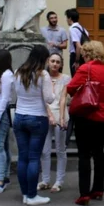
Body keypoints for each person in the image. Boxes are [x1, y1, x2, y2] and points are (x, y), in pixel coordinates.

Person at [63, 41, 104, 206]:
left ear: (89, 54)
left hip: (84, 117)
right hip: (101, 118)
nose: (83, 58)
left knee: (84, 154)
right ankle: (98, 189)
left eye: (84, 55)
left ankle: (84, 194)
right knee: (99, 153)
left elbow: (71, 88)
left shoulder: (86, 69)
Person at [13, 45, 55, 206]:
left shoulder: (19, 71)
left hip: (19, 117)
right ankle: (32, 196)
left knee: (23, 158)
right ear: (43, 58)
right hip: (37, 118)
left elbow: (16, 93)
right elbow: (49, 99)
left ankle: (25, 193)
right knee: (33, 158)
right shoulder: (43, 74)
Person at [38, 52, 71, 193]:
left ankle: (59, 181)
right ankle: (45, 180)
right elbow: (41, 98)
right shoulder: (42, 77)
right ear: (47, 62)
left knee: (60, 149)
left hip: (60, 116)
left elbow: (64, 99)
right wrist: (49, 114)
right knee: (44, 150)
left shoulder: (66, 78)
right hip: (45, 115)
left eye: (58, 62)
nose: (55, 64)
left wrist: (62, 118)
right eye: (52, 61)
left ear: (61, 64)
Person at [0, 49, 15, 194]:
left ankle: (0, 181)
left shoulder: (6, 75)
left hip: (1, 111)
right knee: (4, 145)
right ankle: (3, 177)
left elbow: (5, 99)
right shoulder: (3, 74)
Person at [65, 8, 89, 77]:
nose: (66, 20)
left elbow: (78, 46)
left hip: (76, 56)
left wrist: (77, 61)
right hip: (84, 56)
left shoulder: (73, 29)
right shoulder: (82, 28)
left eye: (67, 18)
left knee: (75, 77)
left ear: (70, 18)